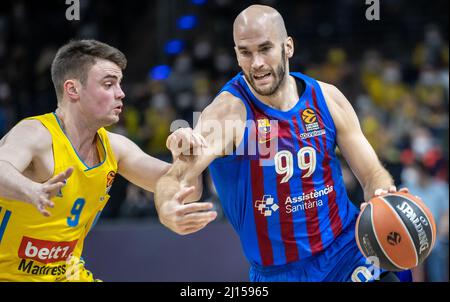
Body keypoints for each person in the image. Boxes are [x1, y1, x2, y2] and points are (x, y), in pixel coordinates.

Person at [156, 5, 412, 282]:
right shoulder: (228, 115)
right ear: (236, 55)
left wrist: (382, 194)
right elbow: (175, 177)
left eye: (265, 49)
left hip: (348, 253)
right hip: (281, 274)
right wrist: (167, 206)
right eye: (245, 52)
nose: (256, 63)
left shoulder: (327, 98)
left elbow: (372, 173)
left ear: (287, 47)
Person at [0, 39, 216, 281]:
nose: (121, 93)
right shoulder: (35, 133)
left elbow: (187, 190)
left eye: (120, 84)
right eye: (108, 84)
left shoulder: (115, 147)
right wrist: (31, 190)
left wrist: (185, 155)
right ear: (73, 89)